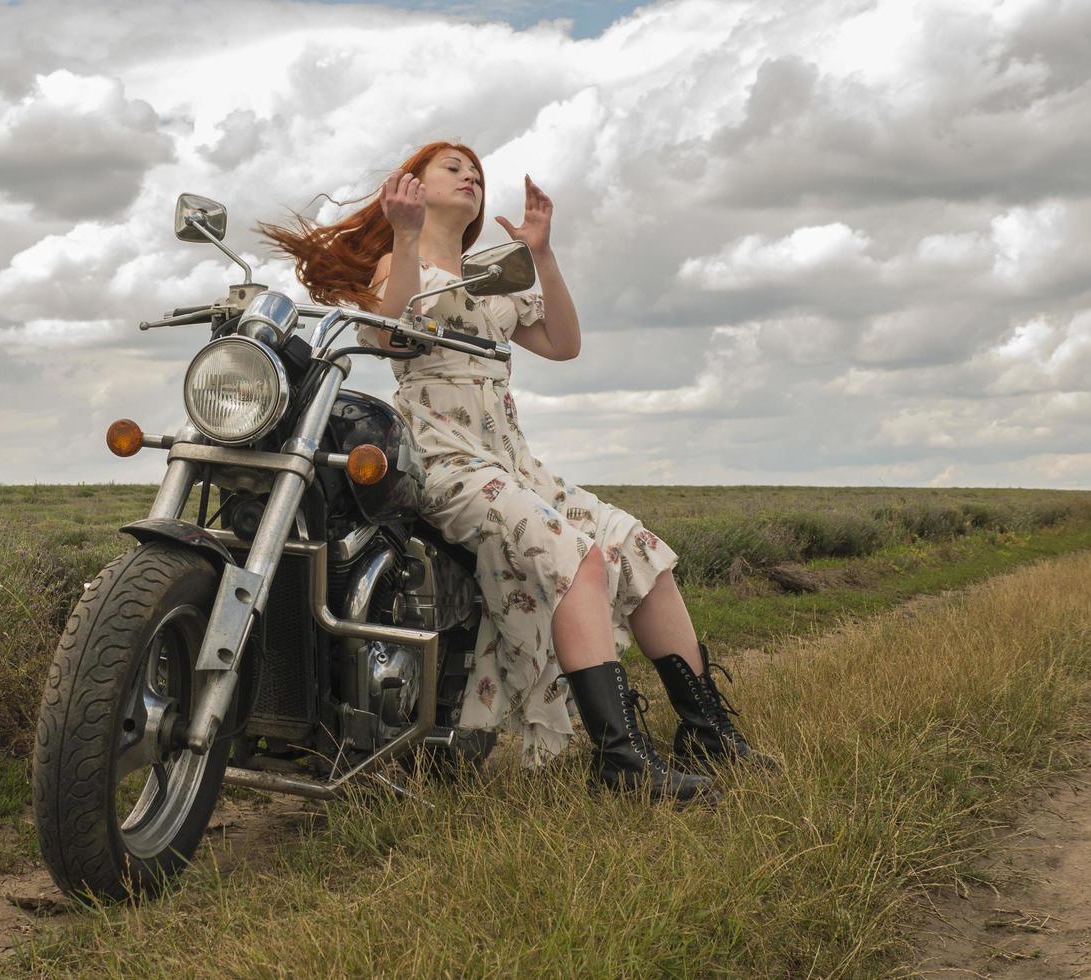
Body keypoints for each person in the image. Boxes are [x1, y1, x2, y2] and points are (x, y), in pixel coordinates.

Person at [264, 141, 775, 802]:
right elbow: (388, 334)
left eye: (476, 170)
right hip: (442, 456)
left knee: (641, 551)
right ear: (410, 186)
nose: (470, 175)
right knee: (578, 559)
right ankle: (620, 761)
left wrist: (541, 256)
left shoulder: (489, 273)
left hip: (511, 460)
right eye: (451, 167)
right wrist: (405, 233)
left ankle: (705, 729)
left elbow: (563, 345)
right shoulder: (402, 259)